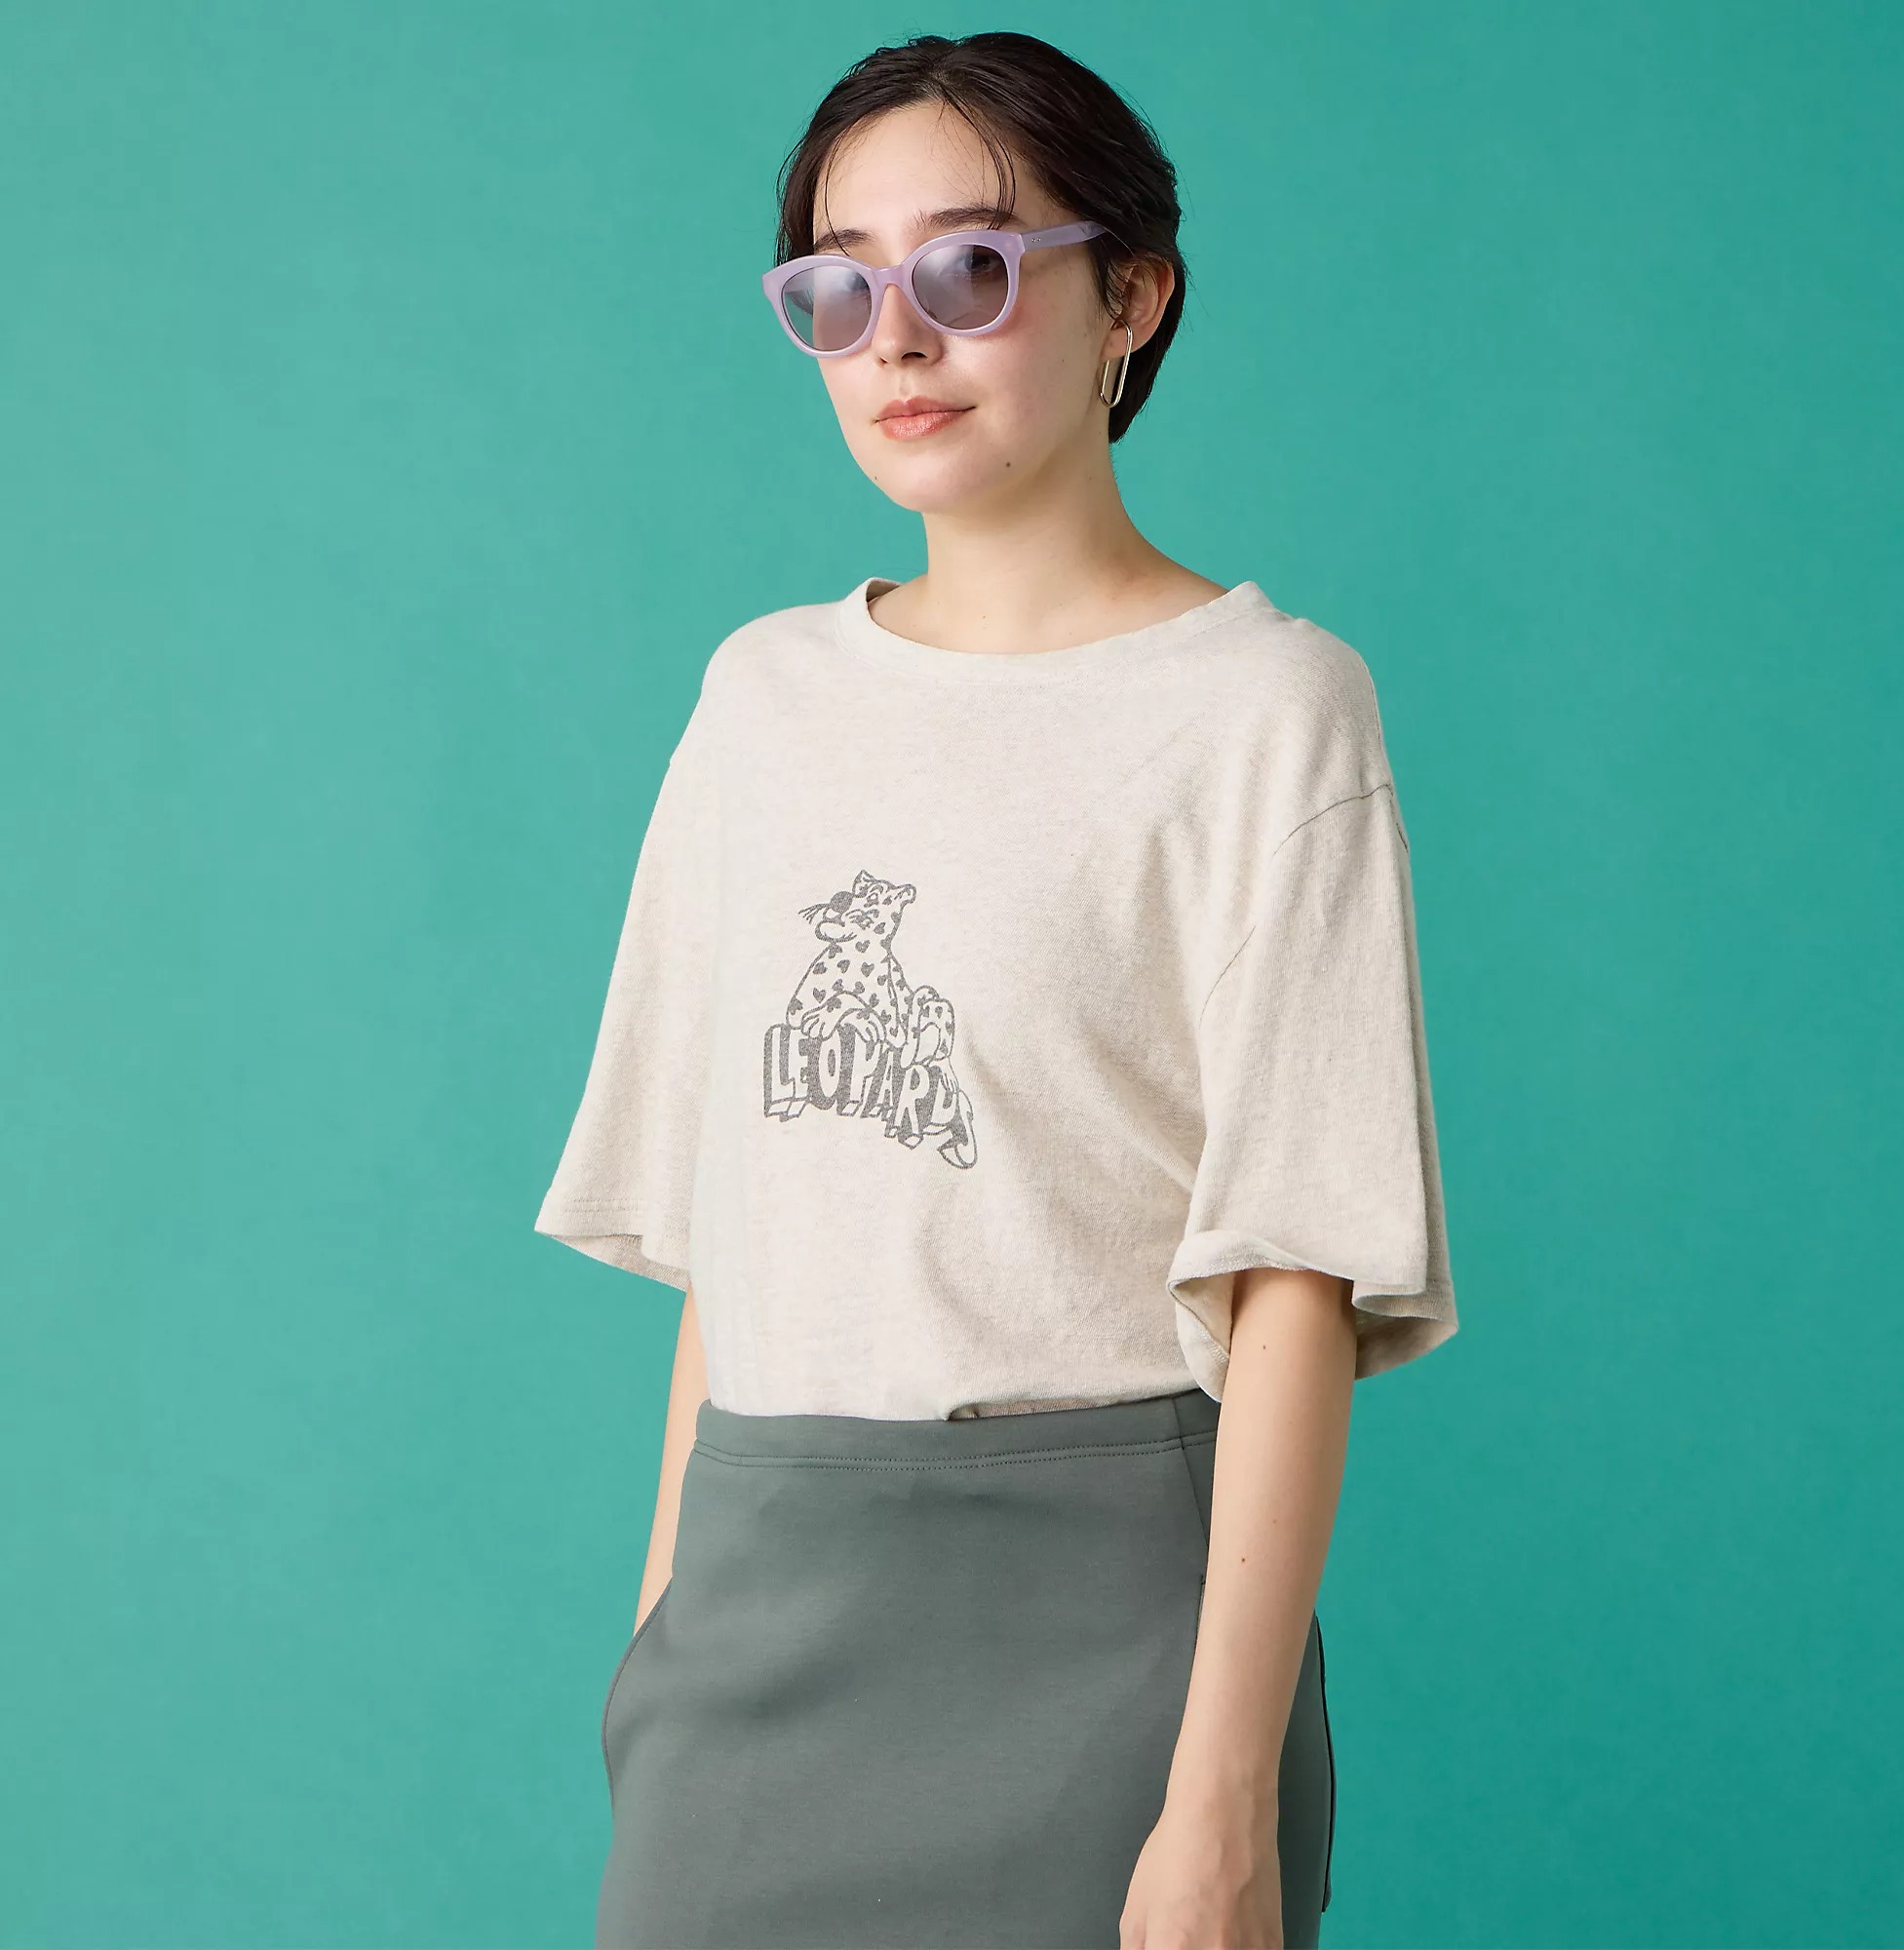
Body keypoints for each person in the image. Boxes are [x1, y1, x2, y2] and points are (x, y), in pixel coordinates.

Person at [534, 29, 1457, 1950]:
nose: (896, 340)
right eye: (837, 287)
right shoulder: (763, 702)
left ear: (1132, 296)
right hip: (759, 1617)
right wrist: (656, 1651)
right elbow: (735, 1223)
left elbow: (1294, 1283)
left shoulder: (1267, 712)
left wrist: (1221, 1803)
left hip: (1117, 1638)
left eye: (968, 270)